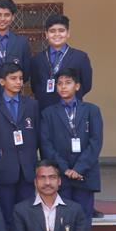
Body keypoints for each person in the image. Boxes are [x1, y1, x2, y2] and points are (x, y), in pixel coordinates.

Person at [40, 68, 102, 220]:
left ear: (77, 86)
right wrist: (65, 169)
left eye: (68, 82)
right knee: (62, 219)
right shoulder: (48, 113)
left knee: (83, 218)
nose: (63, 86)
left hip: (85, 173)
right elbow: (46, 144)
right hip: (61, 174)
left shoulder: (92, 110)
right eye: (59, 83)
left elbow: (96, 142)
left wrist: (78, 168)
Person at [0, 63, 39, 228]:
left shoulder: (31, 105)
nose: (18, 82)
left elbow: (37, 134)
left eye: (21, 79)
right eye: (13, 78)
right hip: (4, 166)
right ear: (2, 81)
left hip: (27, 167)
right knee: (7, 212)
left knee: (27, 212)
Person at [30, 14, 93, 111]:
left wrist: (68, 94)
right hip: (44, 110)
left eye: (61, 30)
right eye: (52, 31)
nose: (57, 34)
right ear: (46, 34)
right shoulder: (37, 59)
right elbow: (34, 86)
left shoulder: (80, 57)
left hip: (71, 110)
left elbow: (86, 85)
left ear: (68, 33)